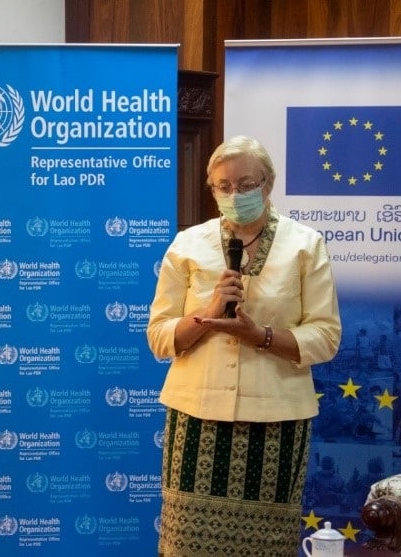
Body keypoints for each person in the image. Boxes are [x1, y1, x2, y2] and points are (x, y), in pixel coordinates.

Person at [146, 135, 341, 556]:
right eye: (224, 186)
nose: (235, 195)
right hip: (197, 415)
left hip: (277, 418)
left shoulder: (305, 244)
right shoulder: (188, 244)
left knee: (264, 545)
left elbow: (326, 336)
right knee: (189, 543)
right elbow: (159, 337)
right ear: (212, 190)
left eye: (246, 184)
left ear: (268, 183)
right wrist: (209, 310)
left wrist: (261, 337)